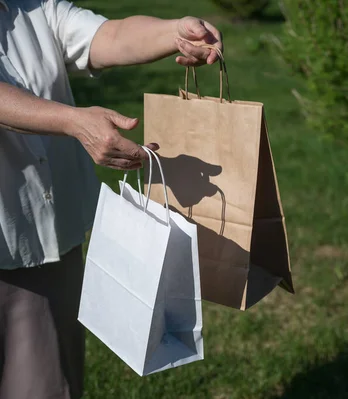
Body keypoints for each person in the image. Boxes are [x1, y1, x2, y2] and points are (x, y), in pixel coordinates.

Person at [0, 0, 222, 397]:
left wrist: (175, 32)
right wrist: (73, 121)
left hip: (44, 240)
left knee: (44, 385)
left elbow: (109, 35)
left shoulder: (30, 7)